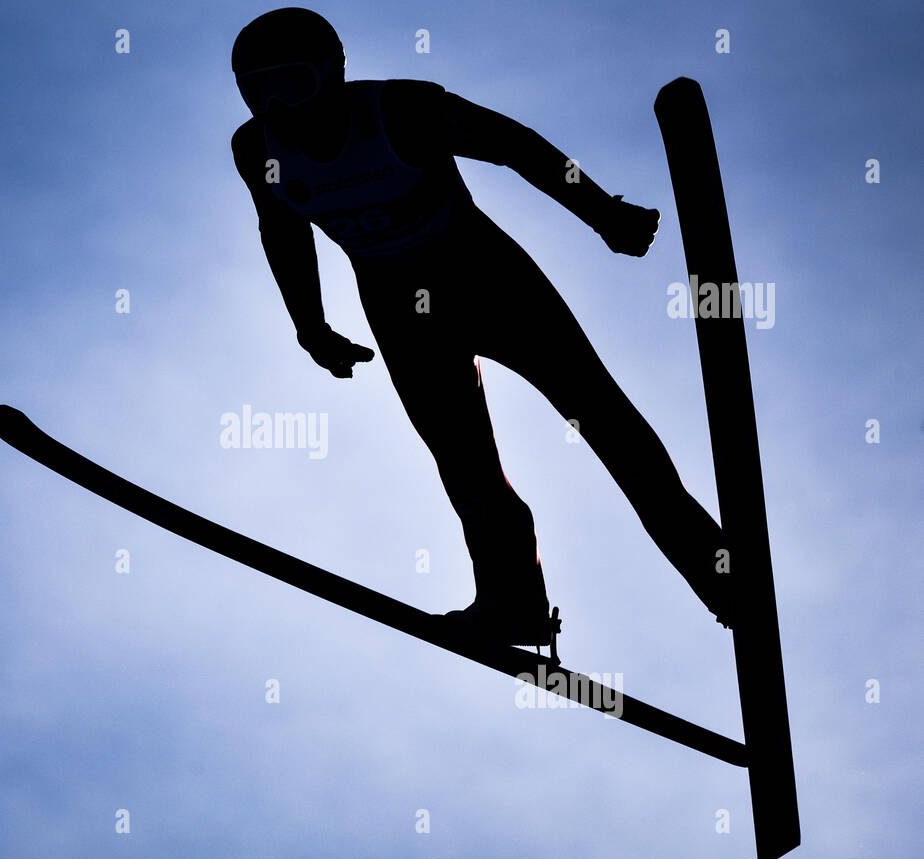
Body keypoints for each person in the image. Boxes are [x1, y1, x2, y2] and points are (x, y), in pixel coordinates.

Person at [230, 7, 732, 643]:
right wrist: (310, 325)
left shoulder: (400, 111)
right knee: (464, 466)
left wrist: (604, 213)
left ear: (332, 75)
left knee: (603, 421)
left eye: (291, 85)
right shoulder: (256, 149)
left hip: (491, 284)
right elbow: (282, 228)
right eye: (256, 92)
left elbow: (514, 145)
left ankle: (720, 573)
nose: (278, 107)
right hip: (400, 312)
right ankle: (515, 600)